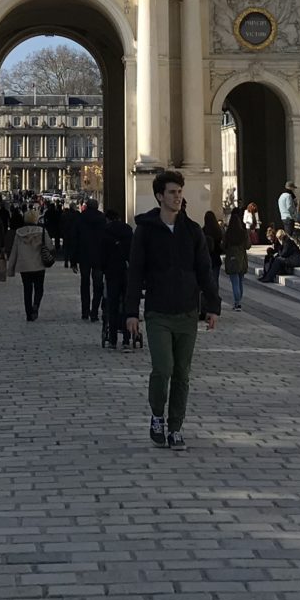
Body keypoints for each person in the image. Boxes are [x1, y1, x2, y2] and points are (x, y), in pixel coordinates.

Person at [124, 169, 220, 450]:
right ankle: (157, 415)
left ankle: (175, 426)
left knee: (182, 373)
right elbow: (135, 273)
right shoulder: (145, 232)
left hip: (187, 311)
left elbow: (205, 271)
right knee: (163, 368)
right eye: (172, 192)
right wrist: (131, 312)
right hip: (158, 312)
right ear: (159, 196)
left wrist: (212, 306)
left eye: (180, 192)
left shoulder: (192, 232)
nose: (178, 197)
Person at [99, 202, 136, 349]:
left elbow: (102, 254)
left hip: (112, 272)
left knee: (112, 305)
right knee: (127, 304)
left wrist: (103, 268)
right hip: (126, 272)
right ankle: (127, 338)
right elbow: (134, 252)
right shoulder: (128, 230)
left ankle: (113, 338)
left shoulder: (105, 231)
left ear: (108, 219)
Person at [10, 207, 52, 322]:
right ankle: (36, 305)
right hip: (38, 264)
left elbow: (14, 250)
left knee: (27, 290)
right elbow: (50, 246)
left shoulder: (19, 233)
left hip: (24, 266)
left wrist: (11, 268)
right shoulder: (42, 231)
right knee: (39, 288)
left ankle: (29, 313)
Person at [222, 206, 251, 311]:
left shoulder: (228, 233)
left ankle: (237, 303)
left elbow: (223, 246)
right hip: (242, 258)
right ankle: (238, 302)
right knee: (240, 281)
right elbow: (248, 245)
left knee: (234, 281)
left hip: (231, 258)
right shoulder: (243, 233)